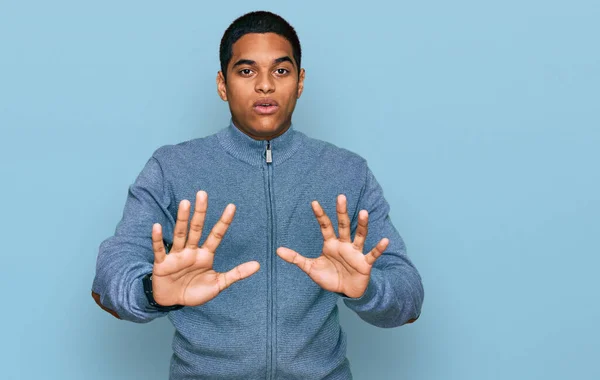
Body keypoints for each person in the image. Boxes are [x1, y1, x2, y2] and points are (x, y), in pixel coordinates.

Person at [91, 10, 424, 380]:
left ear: (299, 82)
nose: (265, 85)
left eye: (281, 71)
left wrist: (367, 289)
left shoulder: (347, 172)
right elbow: (109, 280)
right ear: (222, 84)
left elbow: (408, 298)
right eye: (246, 71)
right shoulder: (172, 168)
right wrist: (153, 290)